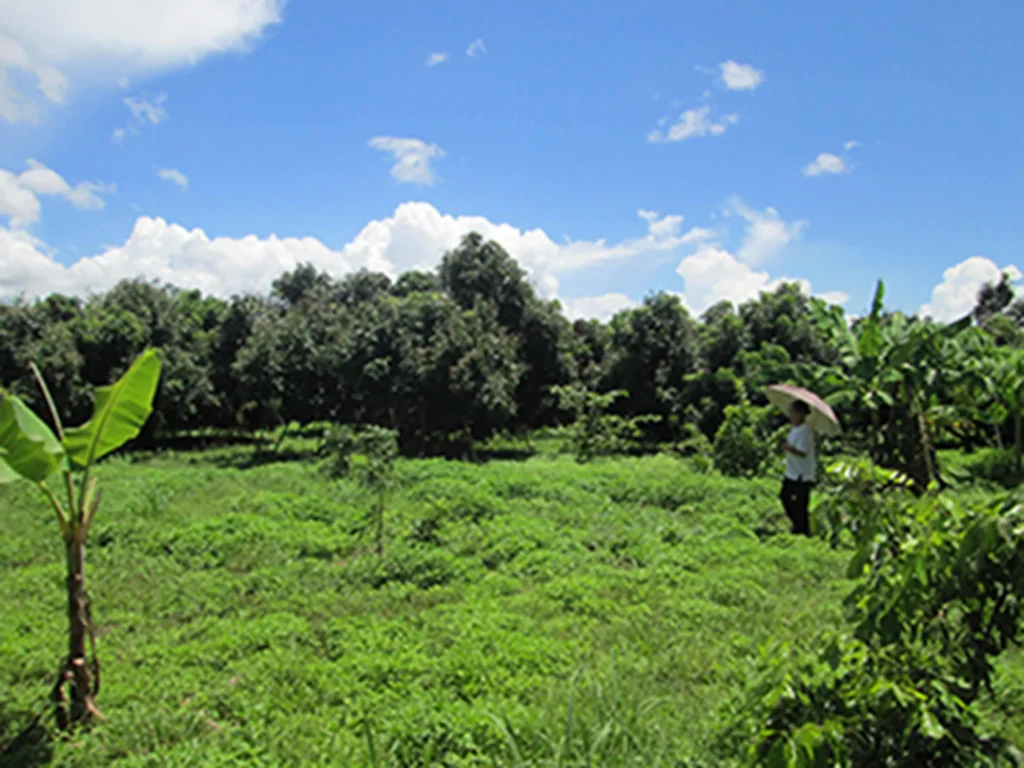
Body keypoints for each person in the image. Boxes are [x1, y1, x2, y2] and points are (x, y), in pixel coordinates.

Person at [777, 400, 816, 535]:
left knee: (799, 503)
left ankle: (803, 529)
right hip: (792, 471)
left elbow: (803, 452)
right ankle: (798, 526)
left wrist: (787, 447)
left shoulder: (805, 431)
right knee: (785, 497)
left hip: (802, 474)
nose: (790, 415)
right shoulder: (795, 428)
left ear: (800, 414)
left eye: (792, 412)